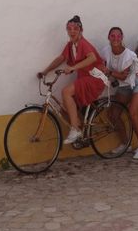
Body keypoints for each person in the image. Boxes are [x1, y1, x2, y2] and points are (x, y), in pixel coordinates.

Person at [38, 15, 108, 145]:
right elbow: (61, 58)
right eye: (69, 28)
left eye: (75, 28)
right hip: (84, 78)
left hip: (95, 78)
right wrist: (46, 71)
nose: (72, 31)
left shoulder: (83, 43)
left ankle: (75, 129)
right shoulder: (71, 45)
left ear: (81, 30)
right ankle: (81, 131)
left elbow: (92, 58)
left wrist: (73, 67)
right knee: (64, 108)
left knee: (66, 92)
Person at [101, 26, 138, 160]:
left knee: (132, 112)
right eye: (113, 36)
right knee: (113, 114)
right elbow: (103, 66)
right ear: (108, 37)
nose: (116, 38)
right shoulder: (106, 51)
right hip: (124, 86)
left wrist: (109, 72)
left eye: (118, 36)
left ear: (122, 38)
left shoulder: (129, 55)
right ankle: (126, 143)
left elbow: (123, 76)